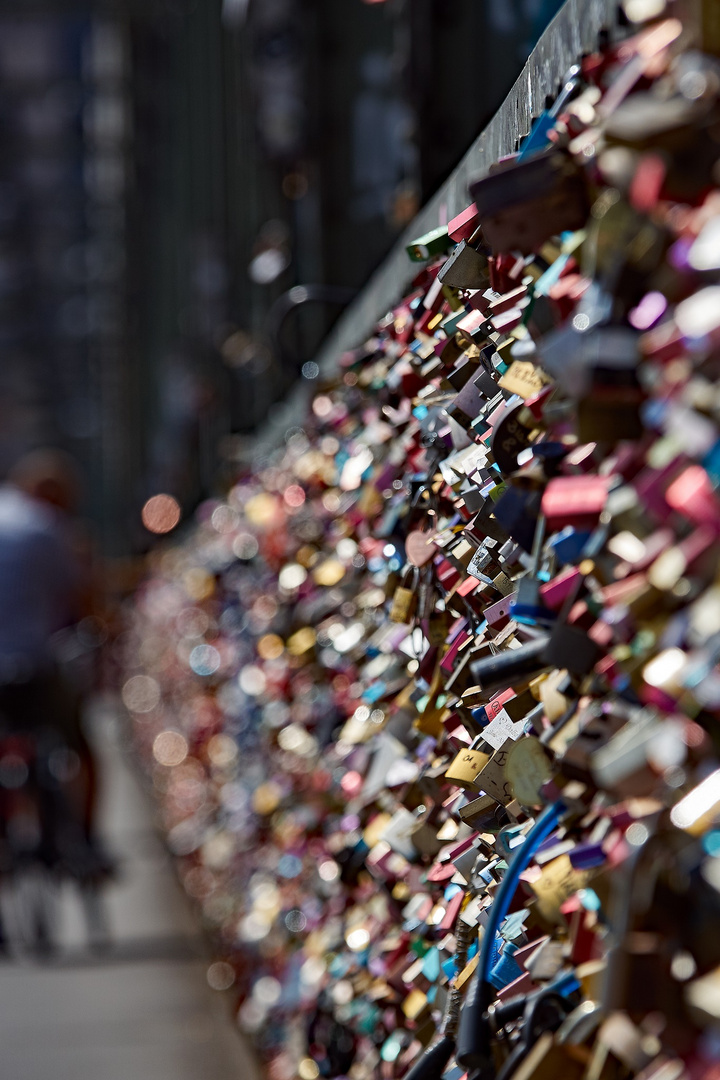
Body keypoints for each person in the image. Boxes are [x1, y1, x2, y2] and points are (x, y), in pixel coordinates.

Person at [0, 448, 110, 876]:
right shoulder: (48, 529)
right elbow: (82, 600)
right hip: (31, 666)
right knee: (80, 746)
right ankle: (86, 841)